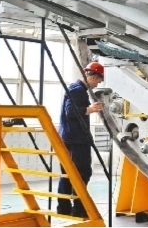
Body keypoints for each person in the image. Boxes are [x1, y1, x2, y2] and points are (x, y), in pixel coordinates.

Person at [57, 62, 104, 218]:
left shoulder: (74, 88)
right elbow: (70, 112)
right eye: (98, 81)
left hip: (68, 136)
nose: (98, 84)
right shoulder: (78, 90)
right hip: (77, 138)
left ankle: (63, 207)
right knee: (83, 172)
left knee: (67, 173)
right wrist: (91, 109)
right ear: (93, 77)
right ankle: (79, 208)